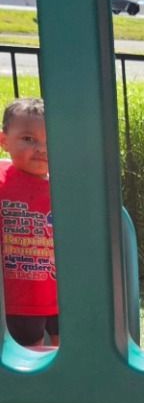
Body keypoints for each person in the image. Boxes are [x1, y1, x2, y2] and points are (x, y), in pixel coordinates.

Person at [0, 96, 56, 347]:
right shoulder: (3, 183)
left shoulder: (67, 185)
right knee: (30, 357)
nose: (42, 148)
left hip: (62, 295)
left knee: (67, 354)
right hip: (18, 299)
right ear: (4, 141)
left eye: (50, 139)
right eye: (28, 139)